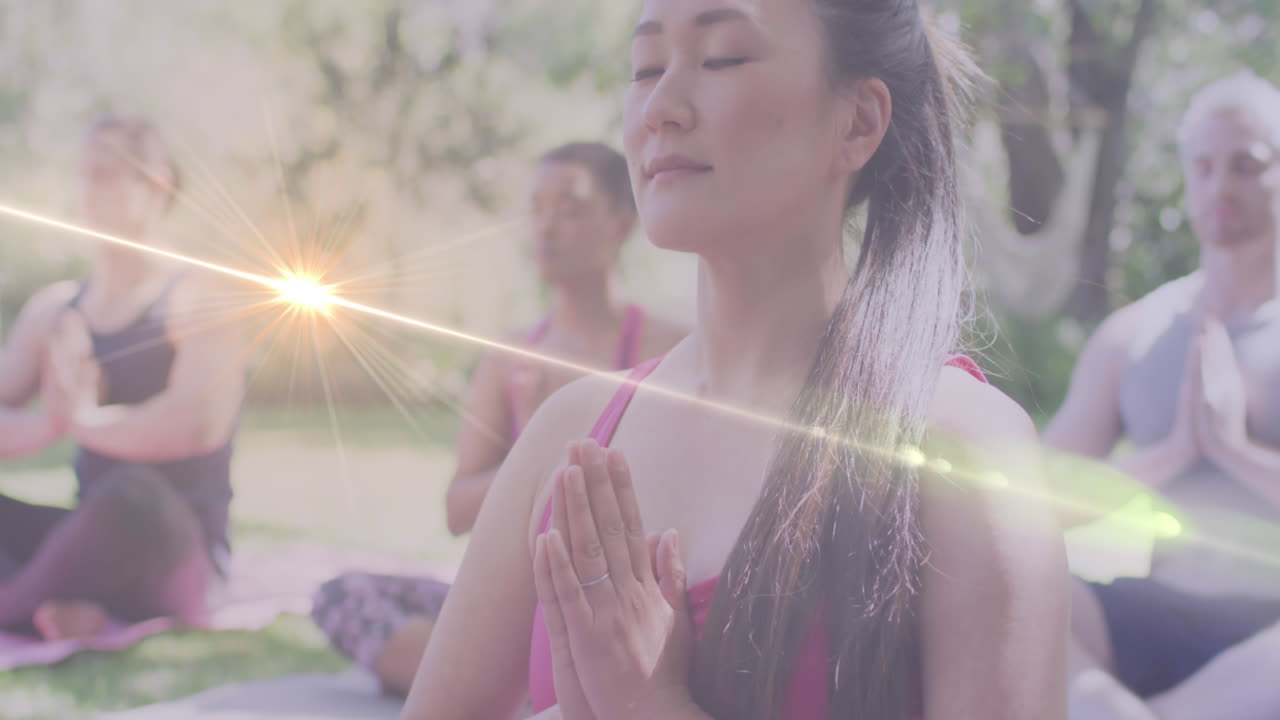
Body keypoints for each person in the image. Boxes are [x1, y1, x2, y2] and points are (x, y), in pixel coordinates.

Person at [403, 1, 1069, 718]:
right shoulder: (568, 437)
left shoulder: (965, 450)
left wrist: (646, 704)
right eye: (646, 68)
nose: (660, 108)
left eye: (721, 57)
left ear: (858, 121)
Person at [310, 142, 684, 697]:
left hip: (621, 607)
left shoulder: (668, 348)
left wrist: (567, 447)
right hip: (516, 607)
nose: (546, 227)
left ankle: (507, 688)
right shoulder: (510, 359)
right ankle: (521, 689)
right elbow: (459, 510)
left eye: (569, 209)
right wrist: (532, 448)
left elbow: (677, 501)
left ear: (620, 225)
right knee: (343, 597)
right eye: (536, 209)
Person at [1044, 70, 1280, 720]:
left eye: (1245, 165)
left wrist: (1234, 451)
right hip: (1153, 612)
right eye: (1203, 167)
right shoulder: (1131, 336)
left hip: (1268, 634)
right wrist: (1173, 454)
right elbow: (1034, 505)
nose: (1220, 186)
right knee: (1018, 586)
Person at [0, 114, 246, 640]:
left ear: (155, 186)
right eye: (84, 175)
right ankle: (64, 607)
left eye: (106, 175)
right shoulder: (55, 309)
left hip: (177, 553)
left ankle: (20, 606)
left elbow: (197, 425)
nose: (88, 191)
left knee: (130, 494)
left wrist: (83, 420)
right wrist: (49, 425)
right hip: (89, 545)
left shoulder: (201, 296)